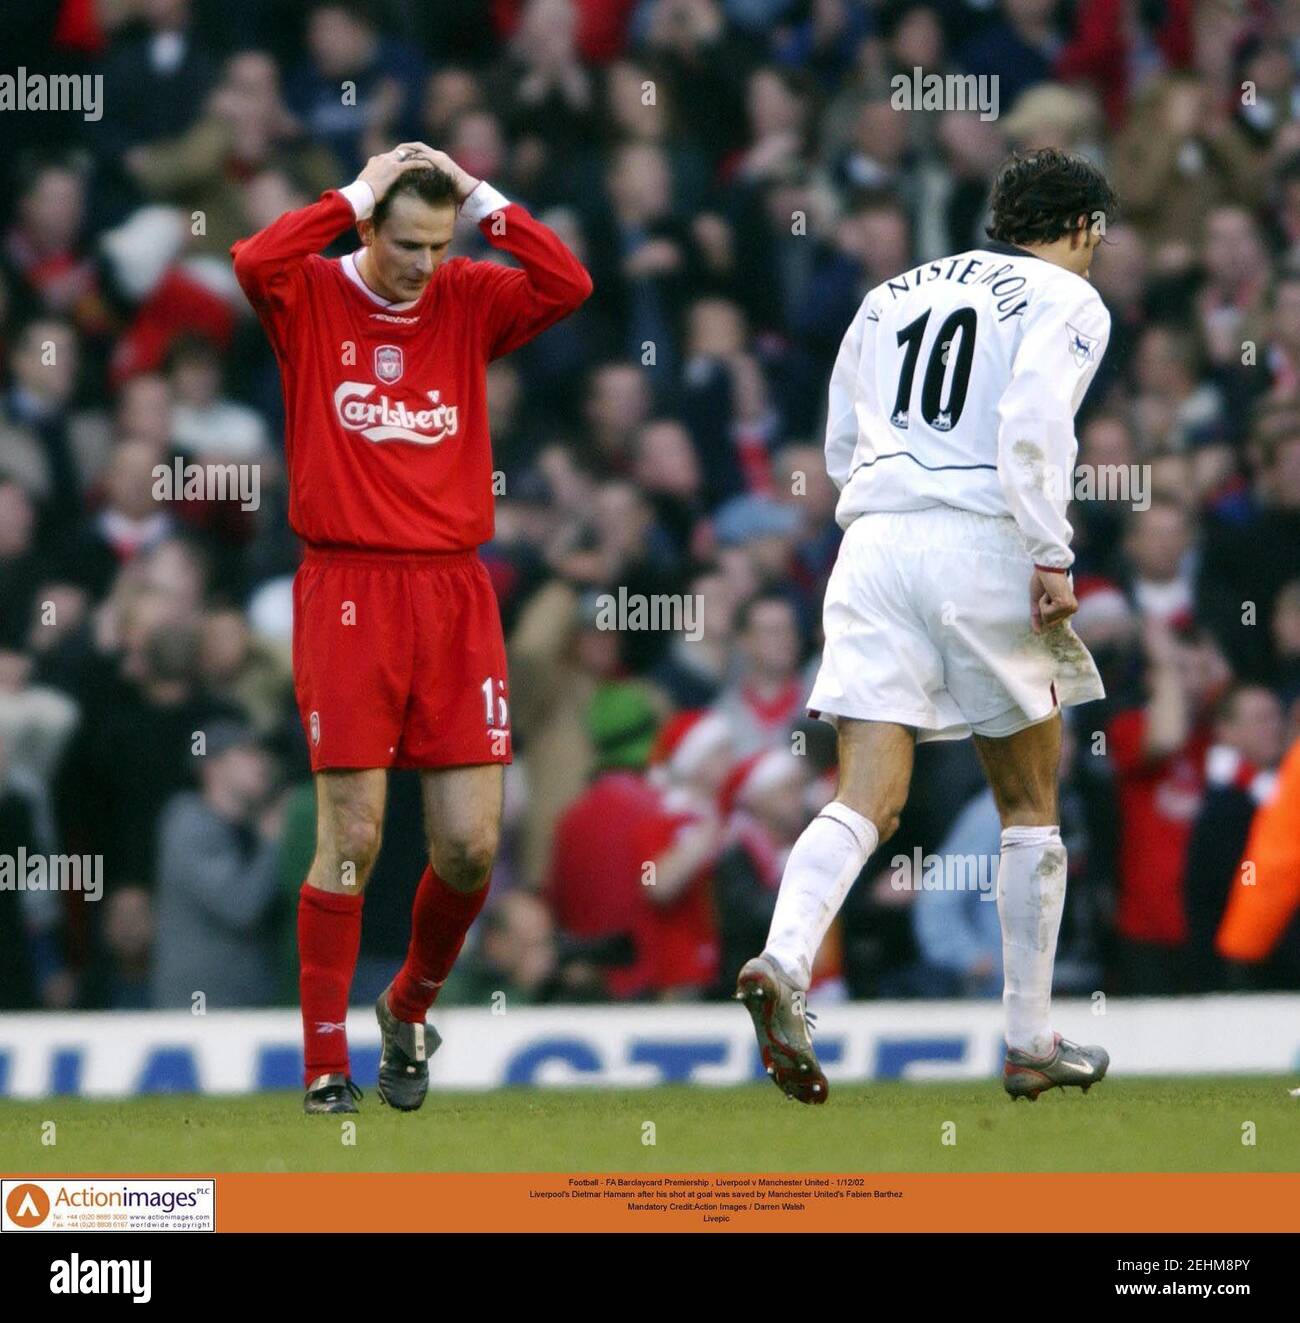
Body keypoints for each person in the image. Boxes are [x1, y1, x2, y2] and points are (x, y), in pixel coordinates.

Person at [736, 147, 1116, 1104]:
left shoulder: (890, 293)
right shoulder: (1068, 299)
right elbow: (1032, 423)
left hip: (872, 541)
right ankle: (1029, 1038)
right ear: (1081, 230)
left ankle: (785, 959)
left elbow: (837, 442)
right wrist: (1050, 551)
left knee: (866, 795)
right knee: (1029, 801)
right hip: (983, 537)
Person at [230, 142, 592, 1113]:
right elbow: (251, 261)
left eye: (439, 243)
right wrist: (351, 189)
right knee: (351, 833)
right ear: (365, 228)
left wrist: (480, 195)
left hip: (454, 593)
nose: (423, 265)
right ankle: (320, 1067)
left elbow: (567, 281)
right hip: (349, 587)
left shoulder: (466, 294)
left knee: (471, 846)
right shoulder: (308, 295)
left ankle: (408, 1006)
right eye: (404, 244)